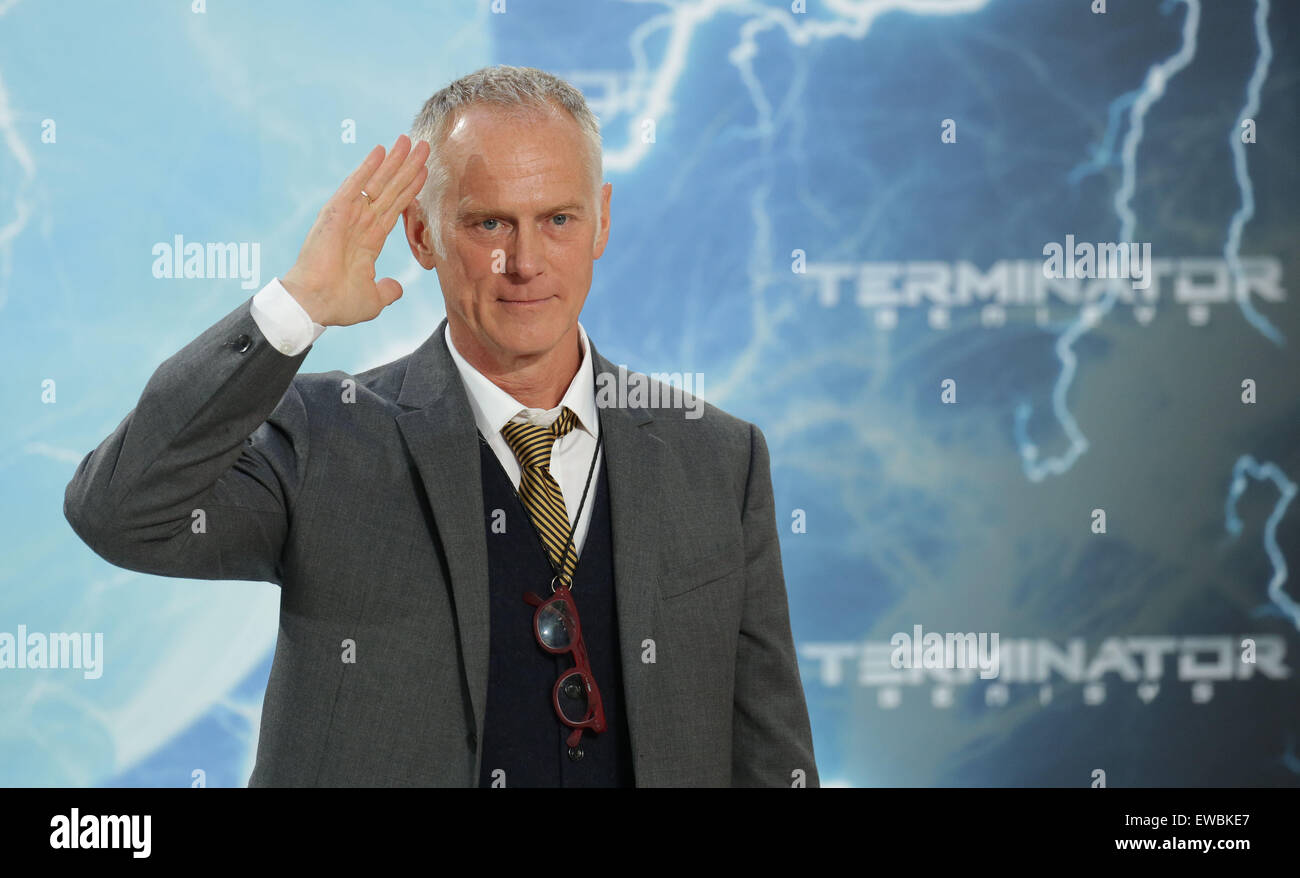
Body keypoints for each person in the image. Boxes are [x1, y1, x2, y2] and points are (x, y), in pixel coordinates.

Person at [63, 65, 818, 787]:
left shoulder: (719, 457)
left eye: (558, 219)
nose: (526, 262)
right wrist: (299, 307)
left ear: (602, 222)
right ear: (421, 237)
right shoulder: (325, 435)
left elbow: (768, 750)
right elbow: (121, 513)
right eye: (490, 222)